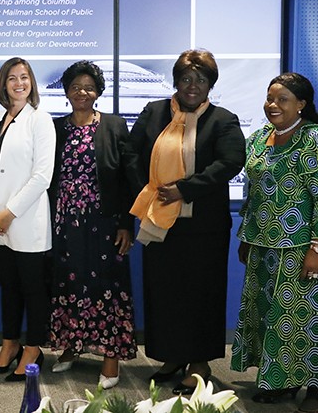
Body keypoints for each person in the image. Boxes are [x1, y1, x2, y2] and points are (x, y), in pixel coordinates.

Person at [231, 73, 318, 413]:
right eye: (270, 98)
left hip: (308, 247)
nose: (273, 105)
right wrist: (246, 236)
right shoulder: (258, 139)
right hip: (263, 242)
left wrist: (317, 250)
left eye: (282, 99)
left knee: (309, 316)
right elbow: (252, 193)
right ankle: (284, 381)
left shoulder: (317, 142)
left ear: (301, 104)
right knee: (274, 315)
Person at [129, 49, 245, 395]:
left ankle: (199, 362)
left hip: (202, 227)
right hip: (159, 219)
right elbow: (132, 152)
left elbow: (230, 162)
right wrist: (146, 189)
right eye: (185, 78)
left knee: (201, 293)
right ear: (175, 81)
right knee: (164, 291)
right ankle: (172, 356)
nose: (192, 86)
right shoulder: (155, 112)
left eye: (201, 79)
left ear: (210, 84)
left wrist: (184, 189)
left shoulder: (223, 120)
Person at [46, 61, 141, 389]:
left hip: (105, 223)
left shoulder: (114, 125)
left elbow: (128, 178)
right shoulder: (57, 128)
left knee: (108, 289)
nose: (81, 93)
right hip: (65, 223)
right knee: (68, 285)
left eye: (88, 87)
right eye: (75, 87)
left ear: (98, 91)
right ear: (67, 91)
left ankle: (110, 359)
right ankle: (72, 345)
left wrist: (127, 223)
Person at [0, 57, 55, 381]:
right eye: (12, 78)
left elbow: (42, 176)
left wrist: (9, 214)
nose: (19, 83)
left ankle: (33, 348)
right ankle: (9, 344)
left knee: (33, 289)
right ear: (3, 84)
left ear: (32, 83)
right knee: (8, 287)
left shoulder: (41, 119)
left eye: (25, 77)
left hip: (25, 221)